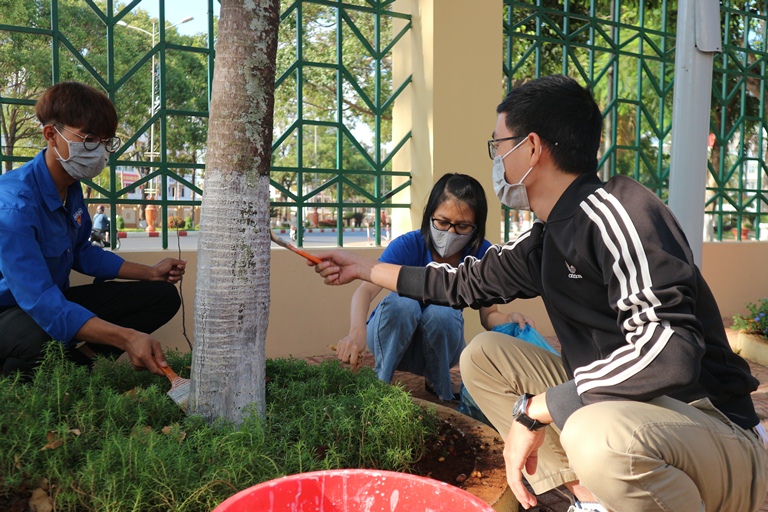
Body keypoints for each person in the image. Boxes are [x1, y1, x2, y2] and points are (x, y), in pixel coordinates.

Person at [313, 75, 768, 512]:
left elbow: (671, 353)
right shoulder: (548, 236)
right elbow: (460, 282)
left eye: (498, 145)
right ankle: (585, 494)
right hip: (628, 414)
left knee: (594, 430)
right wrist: (364, 269)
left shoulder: (622, 213)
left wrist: (539, 409)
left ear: (531, 148)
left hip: (708, 427)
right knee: (483, 357)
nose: (496, 160)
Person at [0, 82, 185, 378]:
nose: (99, 151)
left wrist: (149, 272)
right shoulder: (13, 206)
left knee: (161, 296)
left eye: (105, 142)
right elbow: (38, 299)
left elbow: (81, 251)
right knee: (40, 338)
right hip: (12, 310)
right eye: (88, 140)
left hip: (52, 299)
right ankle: (21, 372)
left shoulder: (70, 188)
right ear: (51, 134)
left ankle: (78, 365)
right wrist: (125, 337)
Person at [335, 173, 533, 401]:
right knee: (403, 304)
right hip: (392, 340)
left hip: (442, 350)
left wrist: (510, 319)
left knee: (444, 311)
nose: (450, 233)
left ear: (476, 227)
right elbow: (365, 290)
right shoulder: (408, 245)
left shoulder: (481, 254)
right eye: (442, 222)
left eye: (462, 226)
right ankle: (381, 382)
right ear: (430, 216)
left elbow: (489, 315)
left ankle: (440, 388)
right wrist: (356, 333)